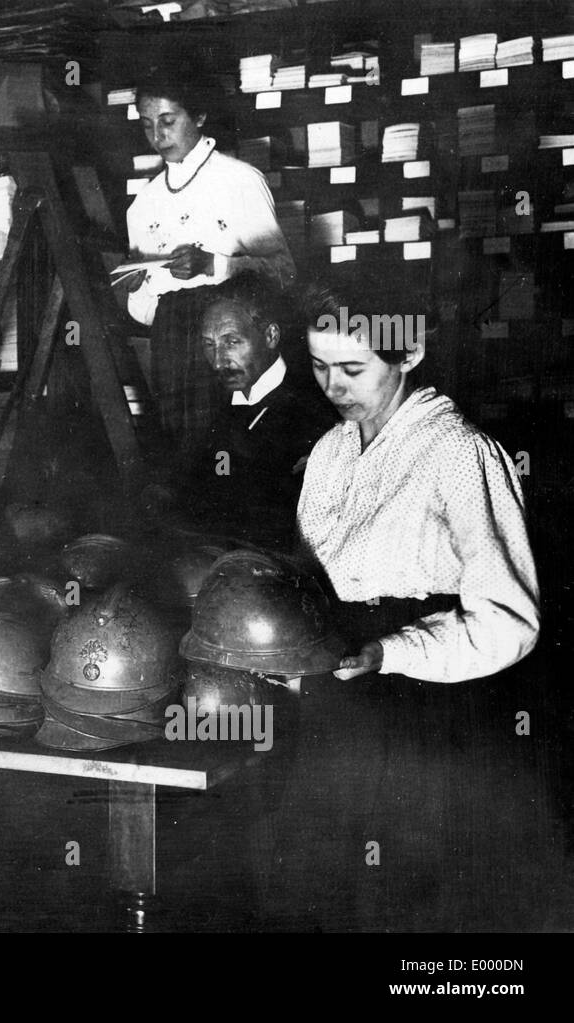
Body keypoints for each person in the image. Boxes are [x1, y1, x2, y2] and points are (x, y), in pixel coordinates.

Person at [264, 272, 562, 931]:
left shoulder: (459, 454)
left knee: (403, 909)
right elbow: (310, 585)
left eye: (352, 367)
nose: (333, 387)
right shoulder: (327, 453)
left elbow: (509, 623)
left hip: (425, 722)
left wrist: (389, 650)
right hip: (337, 713)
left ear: (411, 351)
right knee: (313, 895)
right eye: (317, 366)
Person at [119, 67, 295, 462]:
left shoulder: (239, 180)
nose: (158, 136)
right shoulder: (142, 204)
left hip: (227, 337)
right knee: (179, 459)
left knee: (231, 453)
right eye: (147, 125)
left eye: (168, 121)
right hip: (170, 341)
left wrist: (214, 266)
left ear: (198, 116)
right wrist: (138, 288)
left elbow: (285, 272)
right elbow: (148, 314)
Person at [148, 272, 335, 550]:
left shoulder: (313, 411)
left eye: (232, 342)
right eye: (209, 345)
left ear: (271, 335)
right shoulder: (219, 409)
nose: (219, 361)